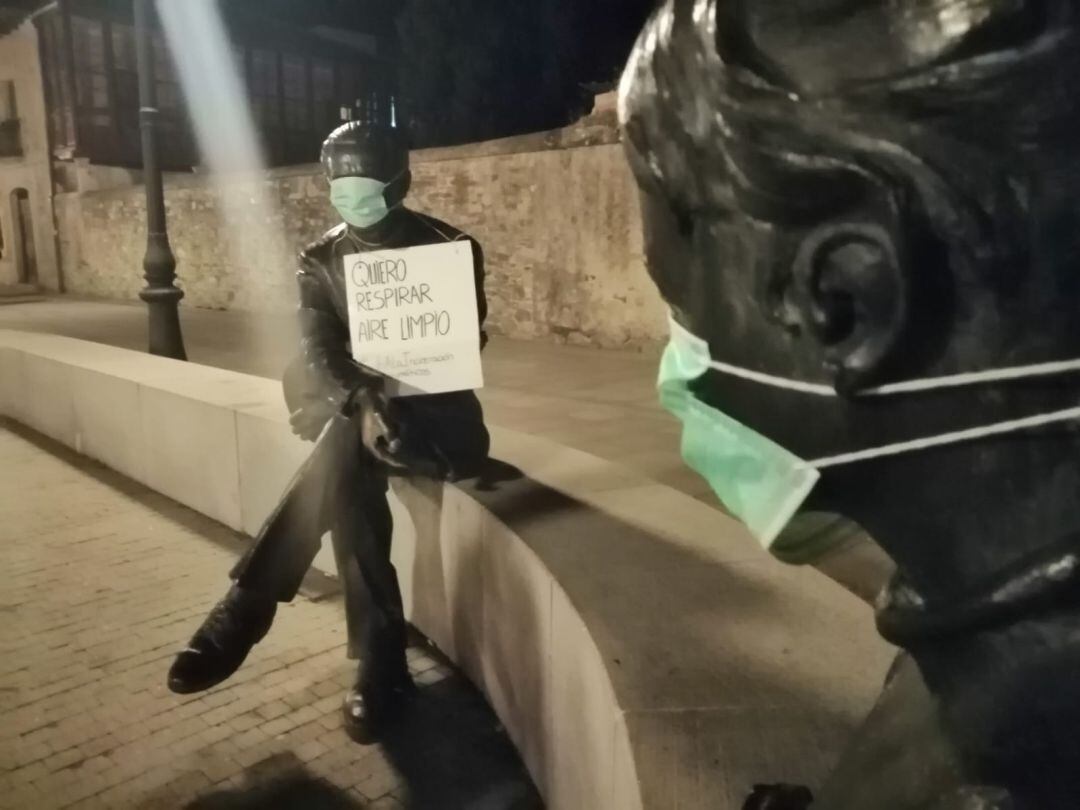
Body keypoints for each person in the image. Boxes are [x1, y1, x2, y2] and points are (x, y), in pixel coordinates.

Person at [619, 1, 1080, 807]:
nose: (678, 314)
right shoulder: (982, 632)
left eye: (685, 252)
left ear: (844, 298)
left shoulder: (1000, 767)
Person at [167, 116, 490, 744]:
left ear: (399, 182)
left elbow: (460, 343)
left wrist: (391, 389)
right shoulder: (320, 259)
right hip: (359, 415)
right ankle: (379, 668)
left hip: (438, 425)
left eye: (365, 186)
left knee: (341, 454)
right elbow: (318, 351)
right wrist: (365, 397)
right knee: (350, 472)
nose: (352, 201)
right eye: (340, 189)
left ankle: (256, 605)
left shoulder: (449, 246)